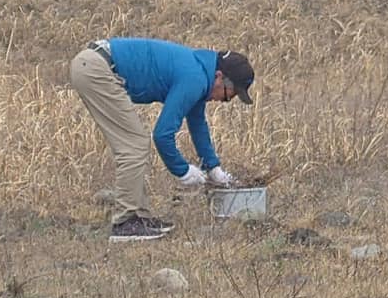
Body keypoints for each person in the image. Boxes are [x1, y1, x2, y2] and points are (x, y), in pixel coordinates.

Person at [69, 36, 254, 243]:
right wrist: (182, 171)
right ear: (219, 76)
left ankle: (138, 218)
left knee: (135, 143)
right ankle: (125, 223)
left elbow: (197, 122)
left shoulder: (200, 71)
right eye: (229, 95)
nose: (224, 101)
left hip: (93, 65)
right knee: (134, 144)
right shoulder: (195, 77)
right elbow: (162, 135)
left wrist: (213, 168)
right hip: (95, 69)